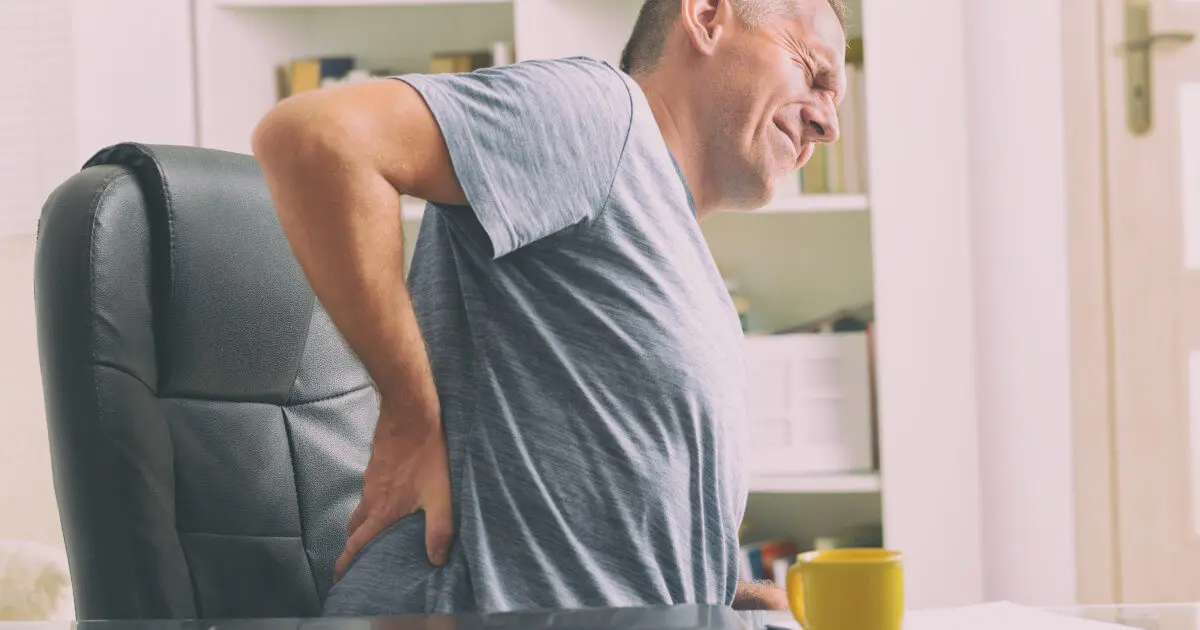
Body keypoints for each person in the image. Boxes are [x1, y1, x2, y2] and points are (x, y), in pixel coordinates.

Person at [250, 0, 846, 616]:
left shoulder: (684, 259)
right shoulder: (602, 114)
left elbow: (598, 545)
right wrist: (409, 417)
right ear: (707, 18)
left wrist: (731, 601)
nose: (829, 124)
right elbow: (315, 137)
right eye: (814, 73)